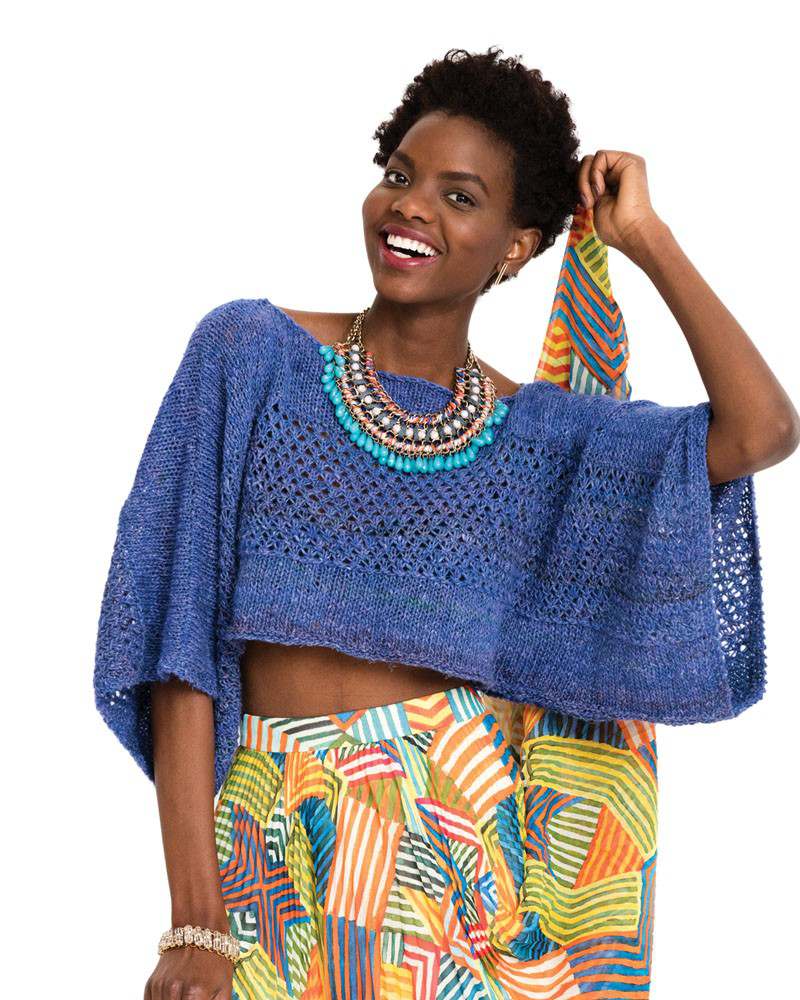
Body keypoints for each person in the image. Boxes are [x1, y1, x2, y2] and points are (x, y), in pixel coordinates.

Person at [94, 47, 798, 999]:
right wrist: (195, 920)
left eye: (459, 197)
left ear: (516, 245)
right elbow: (179, 645)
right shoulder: (249, 354)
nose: (412, 206)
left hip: (460, 859)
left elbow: (761, 431)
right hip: (266, 840)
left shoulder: (535, 439)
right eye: (399, 176)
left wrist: (647, 237)